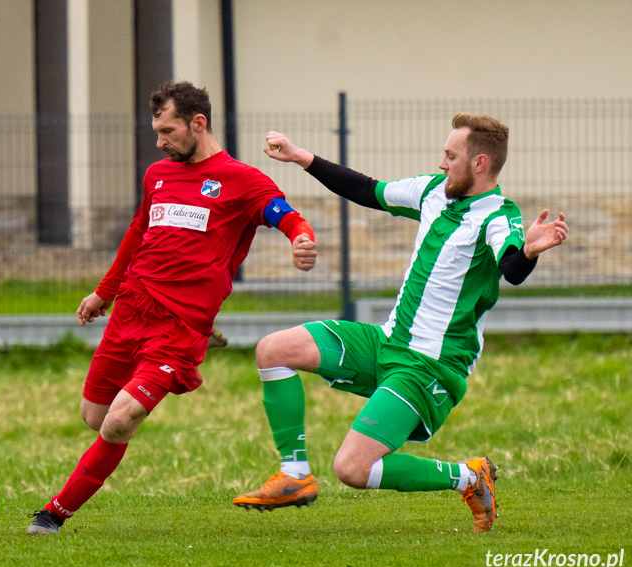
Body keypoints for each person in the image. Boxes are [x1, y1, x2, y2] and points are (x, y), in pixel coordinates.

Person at [232, 114, 568, 533]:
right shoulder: (432, 190)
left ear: (480, 163)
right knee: (273, 350)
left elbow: (512, 267)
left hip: (428, 366)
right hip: (386, 342)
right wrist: (302, 157)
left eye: (451, 155)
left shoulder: (499, 216)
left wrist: (531, 252)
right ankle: (294, 475)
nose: (442, 162)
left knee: (352, 469)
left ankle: (469, 477)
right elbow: (367, 190)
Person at [26, 80, 318, 535]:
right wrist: (104, 293)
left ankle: (54, 513)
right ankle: (135, 405)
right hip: (130, 311)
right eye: (157, 132)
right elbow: (137, 233)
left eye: (167, 131)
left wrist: (302, 238)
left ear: (198, 124)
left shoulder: (241, 181)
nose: (160, 142)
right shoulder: (157, 175)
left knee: (119, 421)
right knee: (96, 418)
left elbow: (286, 214)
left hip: (177, 329)